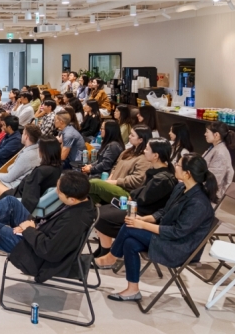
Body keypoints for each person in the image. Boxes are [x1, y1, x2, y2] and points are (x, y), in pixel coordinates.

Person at [95, 154, 216, 302]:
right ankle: (133, 289)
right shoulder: (181, 187)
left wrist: (142, 225)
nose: (174, 166)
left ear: (187, 173)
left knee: (130, 228)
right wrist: (143, 219)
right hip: (168, 237)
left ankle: (110, 258)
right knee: (130, 242)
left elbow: (178, 232)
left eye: (178, 165)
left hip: (179, 248)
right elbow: (164, 211)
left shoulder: (198, 203)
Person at [0, 171, 96, 291]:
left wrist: (28, 230)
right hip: (38, 234)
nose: (56, 192)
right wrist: (33, 224)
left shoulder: (74, 222)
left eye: (59, 191)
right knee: (10, 202)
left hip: (36, 256)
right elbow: (51, 225)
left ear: (71, 199)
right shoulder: (81, 202)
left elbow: (48, 251)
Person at [93, 138, 177, 258]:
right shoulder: (155, 171)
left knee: (102, 216)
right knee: (100, 211)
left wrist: (132, 197)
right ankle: (103, 249)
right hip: (138, 207)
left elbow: (144, 198)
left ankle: (106, 253)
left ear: (156, 155)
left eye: (147, 149)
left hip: (144, 213)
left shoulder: (162, 179)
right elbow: (142, 191)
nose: (144, 151)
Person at [0, 131, 53, 223]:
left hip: (17, 194)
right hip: (19, 191)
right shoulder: (53, 168)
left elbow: (25, 190)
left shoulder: (37, 167)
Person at [88, 125, 153, 204]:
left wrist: (115, 182)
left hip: (127, 192)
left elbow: (137, 180)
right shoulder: (127, 151)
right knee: (90, 194)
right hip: (113, 184)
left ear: (140, 140)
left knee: (94, 183)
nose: (129, 137)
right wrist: (110, 179)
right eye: (130, 134)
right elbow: (115, 166)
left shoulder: (144, 158)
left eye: (132, 135)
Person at [0, 124, 42, 194]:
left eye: (23, 133)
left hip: (11, 185)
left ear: (26, 137)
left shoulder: (27, 155)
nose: (21, 136)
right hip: (14, 183)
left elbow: (9, 178)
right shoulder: (37, 151)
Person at [203, 121, 235, 200]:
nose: (205, 134)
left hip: (211, 195)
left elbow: (213, 180)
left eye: (207, 132)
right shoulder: (215, 148)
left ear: (216, 135)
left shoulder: (221, 153)